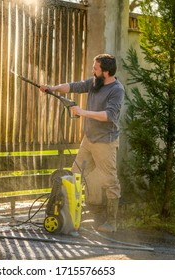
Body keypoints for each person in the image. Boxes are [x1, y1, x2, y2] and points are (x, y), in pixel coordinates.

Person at [40, 54, 124, 232]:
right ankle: (70, 216)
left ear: (106, 72)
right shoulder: (95, 82)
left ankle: (111, 223)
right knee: (74, 175)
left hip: (105, 142)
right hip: (89, 139)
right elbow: (74, 86)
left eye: (96, 68)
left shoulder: (116, 90)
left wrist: (82, 112)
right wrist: (52, 88)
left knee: (110, 181)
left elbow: (109, 115)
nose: (93, 71)